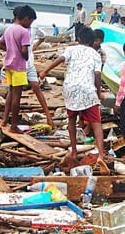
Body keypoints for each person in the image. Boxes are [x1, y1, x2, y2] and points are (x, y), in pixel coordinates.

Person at [40, 26, 108, 172]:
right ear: (92, 41)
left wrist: (45, 71)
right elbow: (97, 75)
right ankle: (101, 154)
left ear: (79, 39)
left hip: (70, 87)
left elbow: (59, 59)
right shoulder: (95, 54)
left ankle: (74, 151)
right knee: (96, 123)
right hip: (87, 89)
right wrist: (99, 91)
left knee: (72, 119)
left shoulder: (71, 49)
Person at [0, 6, 54, 126]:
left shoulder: (12, 29)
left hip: (21, 65)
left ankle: (47, 118)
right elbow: (15, 48)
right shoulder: (23, 31)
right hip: (20, 66)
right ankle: (12, 124)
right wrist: (22, 54)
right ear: (25, 18)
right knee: (15, 95)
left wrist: (23, 49)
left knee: (28, 89)